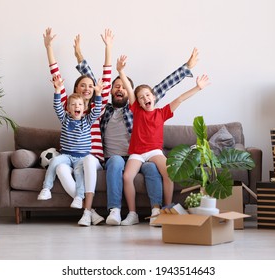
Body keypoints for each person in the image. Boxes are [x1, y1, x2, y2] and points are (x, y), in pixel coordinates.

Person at [75, 45, 199, 226]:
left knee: (151, 169)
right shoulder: (102, 109)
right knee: (117, 162)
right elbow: (94, 83)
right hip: (117, 157)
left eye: (123, 87)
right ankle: (115, 211)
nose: (119, 89)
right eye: (116, 86)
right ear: (110, 90)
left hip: (140, 156)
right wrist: (80, 58)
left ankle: (157, 210)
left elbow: (165, 85)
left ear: (130, 93)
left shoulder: (137, 108)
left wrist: (186, 67)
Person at [117, 55, 210, 226]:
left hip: (154, 151)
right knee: (127, 177)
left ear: (153, 96)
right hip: (137, 152)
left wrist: (198, 87)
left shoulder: (162, 113)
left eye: (147, 95)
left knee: (169, 173)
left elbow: (180, 99)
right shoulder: (136, 110)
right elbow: (129, 90)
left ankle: (167, 208)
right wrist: (121, 71)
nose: (145, 99)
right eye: (141, 97)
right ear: (137, 102)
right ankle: (132, 213)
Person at [37, 27, 113, 226]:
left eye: (90, 85)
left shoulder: (98, 107)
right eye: (83, 85)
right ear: (76, 91)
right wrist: (48, 47)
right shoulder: (69, 110)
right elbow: (56, 77)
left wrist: (108, 48)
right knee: (60, 168)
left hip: (92, 157)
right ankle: (91, 212)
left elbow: (106, 77)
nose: (87, 88)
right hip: (70, 156)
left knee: (87, 161)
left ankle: (87, 212)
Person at [46, 74, 103, 218]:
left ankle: (84, 205)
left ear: (84, 108)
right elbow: (57, 107)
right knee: (58, 166)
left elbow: (96, 110)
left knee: (79, 173)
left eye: (79, 105)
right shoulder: (65, 118)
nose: (77, 107)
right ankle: (90, 212)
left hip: (82, 159)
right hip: (66, 157)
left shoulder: (87, 120)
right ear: (68, 108)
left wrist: (98, 94)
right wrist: (58, 90)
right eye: (73, 105)